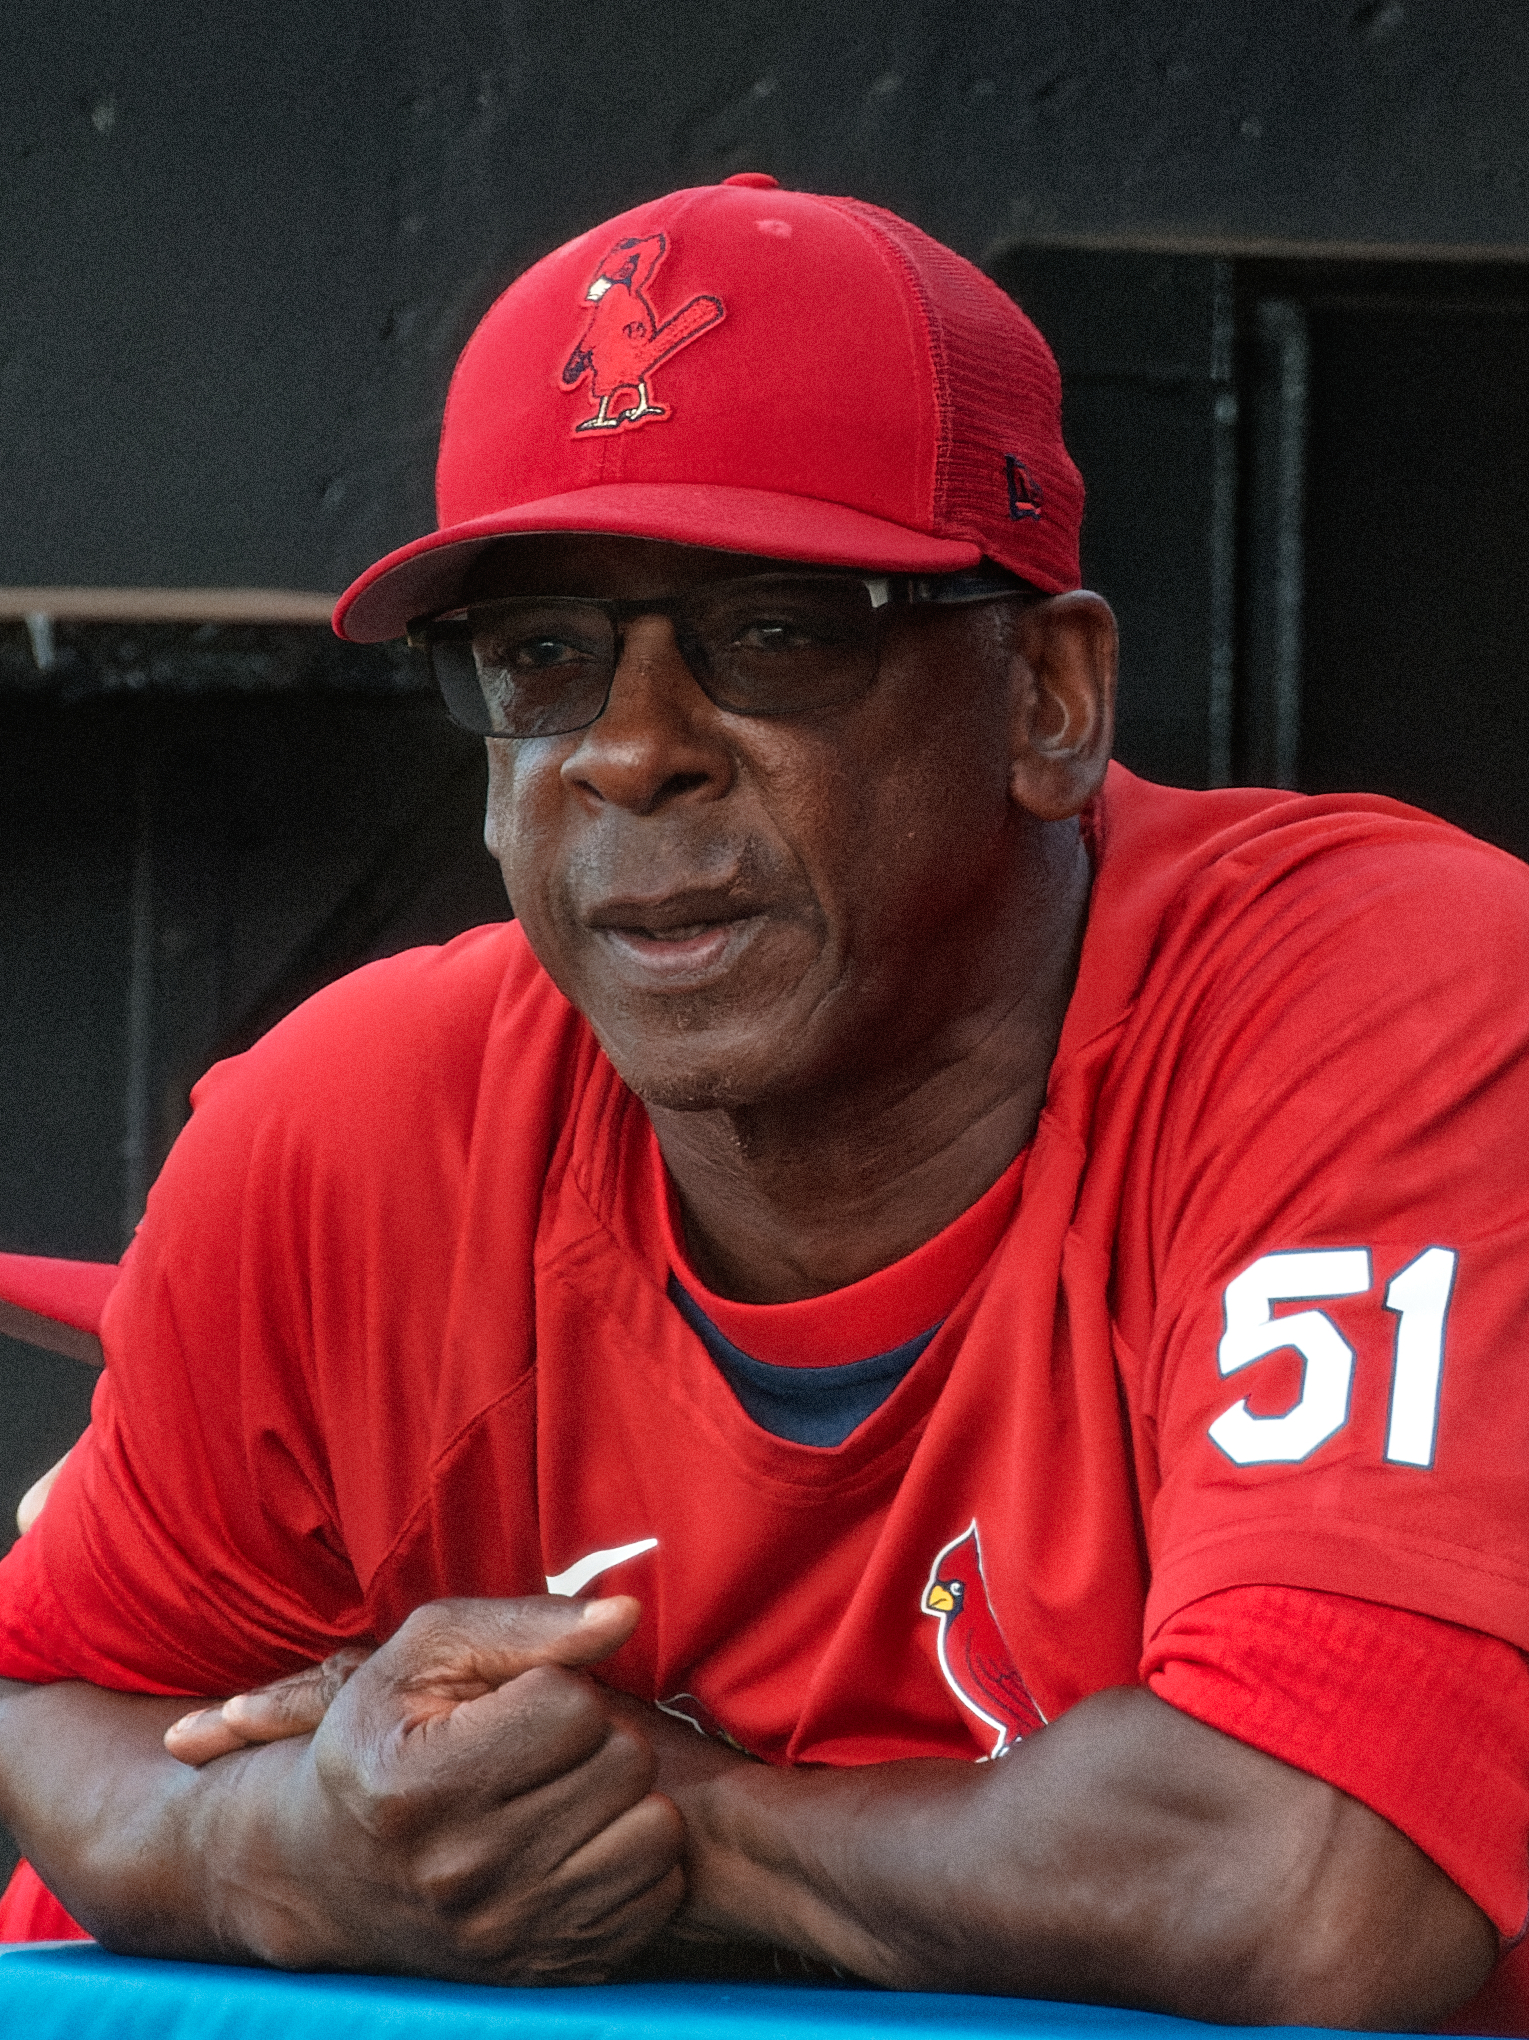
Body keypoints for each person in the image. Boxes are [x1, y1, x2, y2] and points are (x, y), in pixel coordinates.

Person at [0, 173, 1527, 2032]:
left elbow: (1308, 1885)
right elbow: (56, 1710)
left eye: (776, 633)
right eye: (546, 658)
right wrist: (279, 1851)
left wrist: (681, 1825)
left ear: (1048, 694)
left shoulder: (1376, 993)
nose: (628, 751)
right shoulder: (353, 1119)